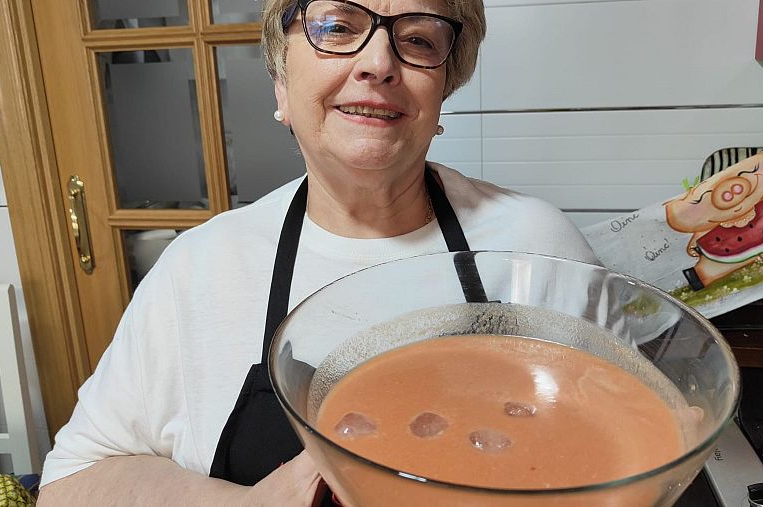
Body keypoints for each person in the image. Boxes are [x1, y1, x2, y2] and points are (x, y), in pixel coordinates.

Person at [37, 0, 599, 504]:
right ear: (281, 83)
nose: (379, 62)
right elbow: (70, 483)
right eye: (335, 27)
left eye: (419, 39)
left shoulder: (537, 247)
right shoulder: (200, 268)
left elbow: (617, 448)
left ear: (443, 90)